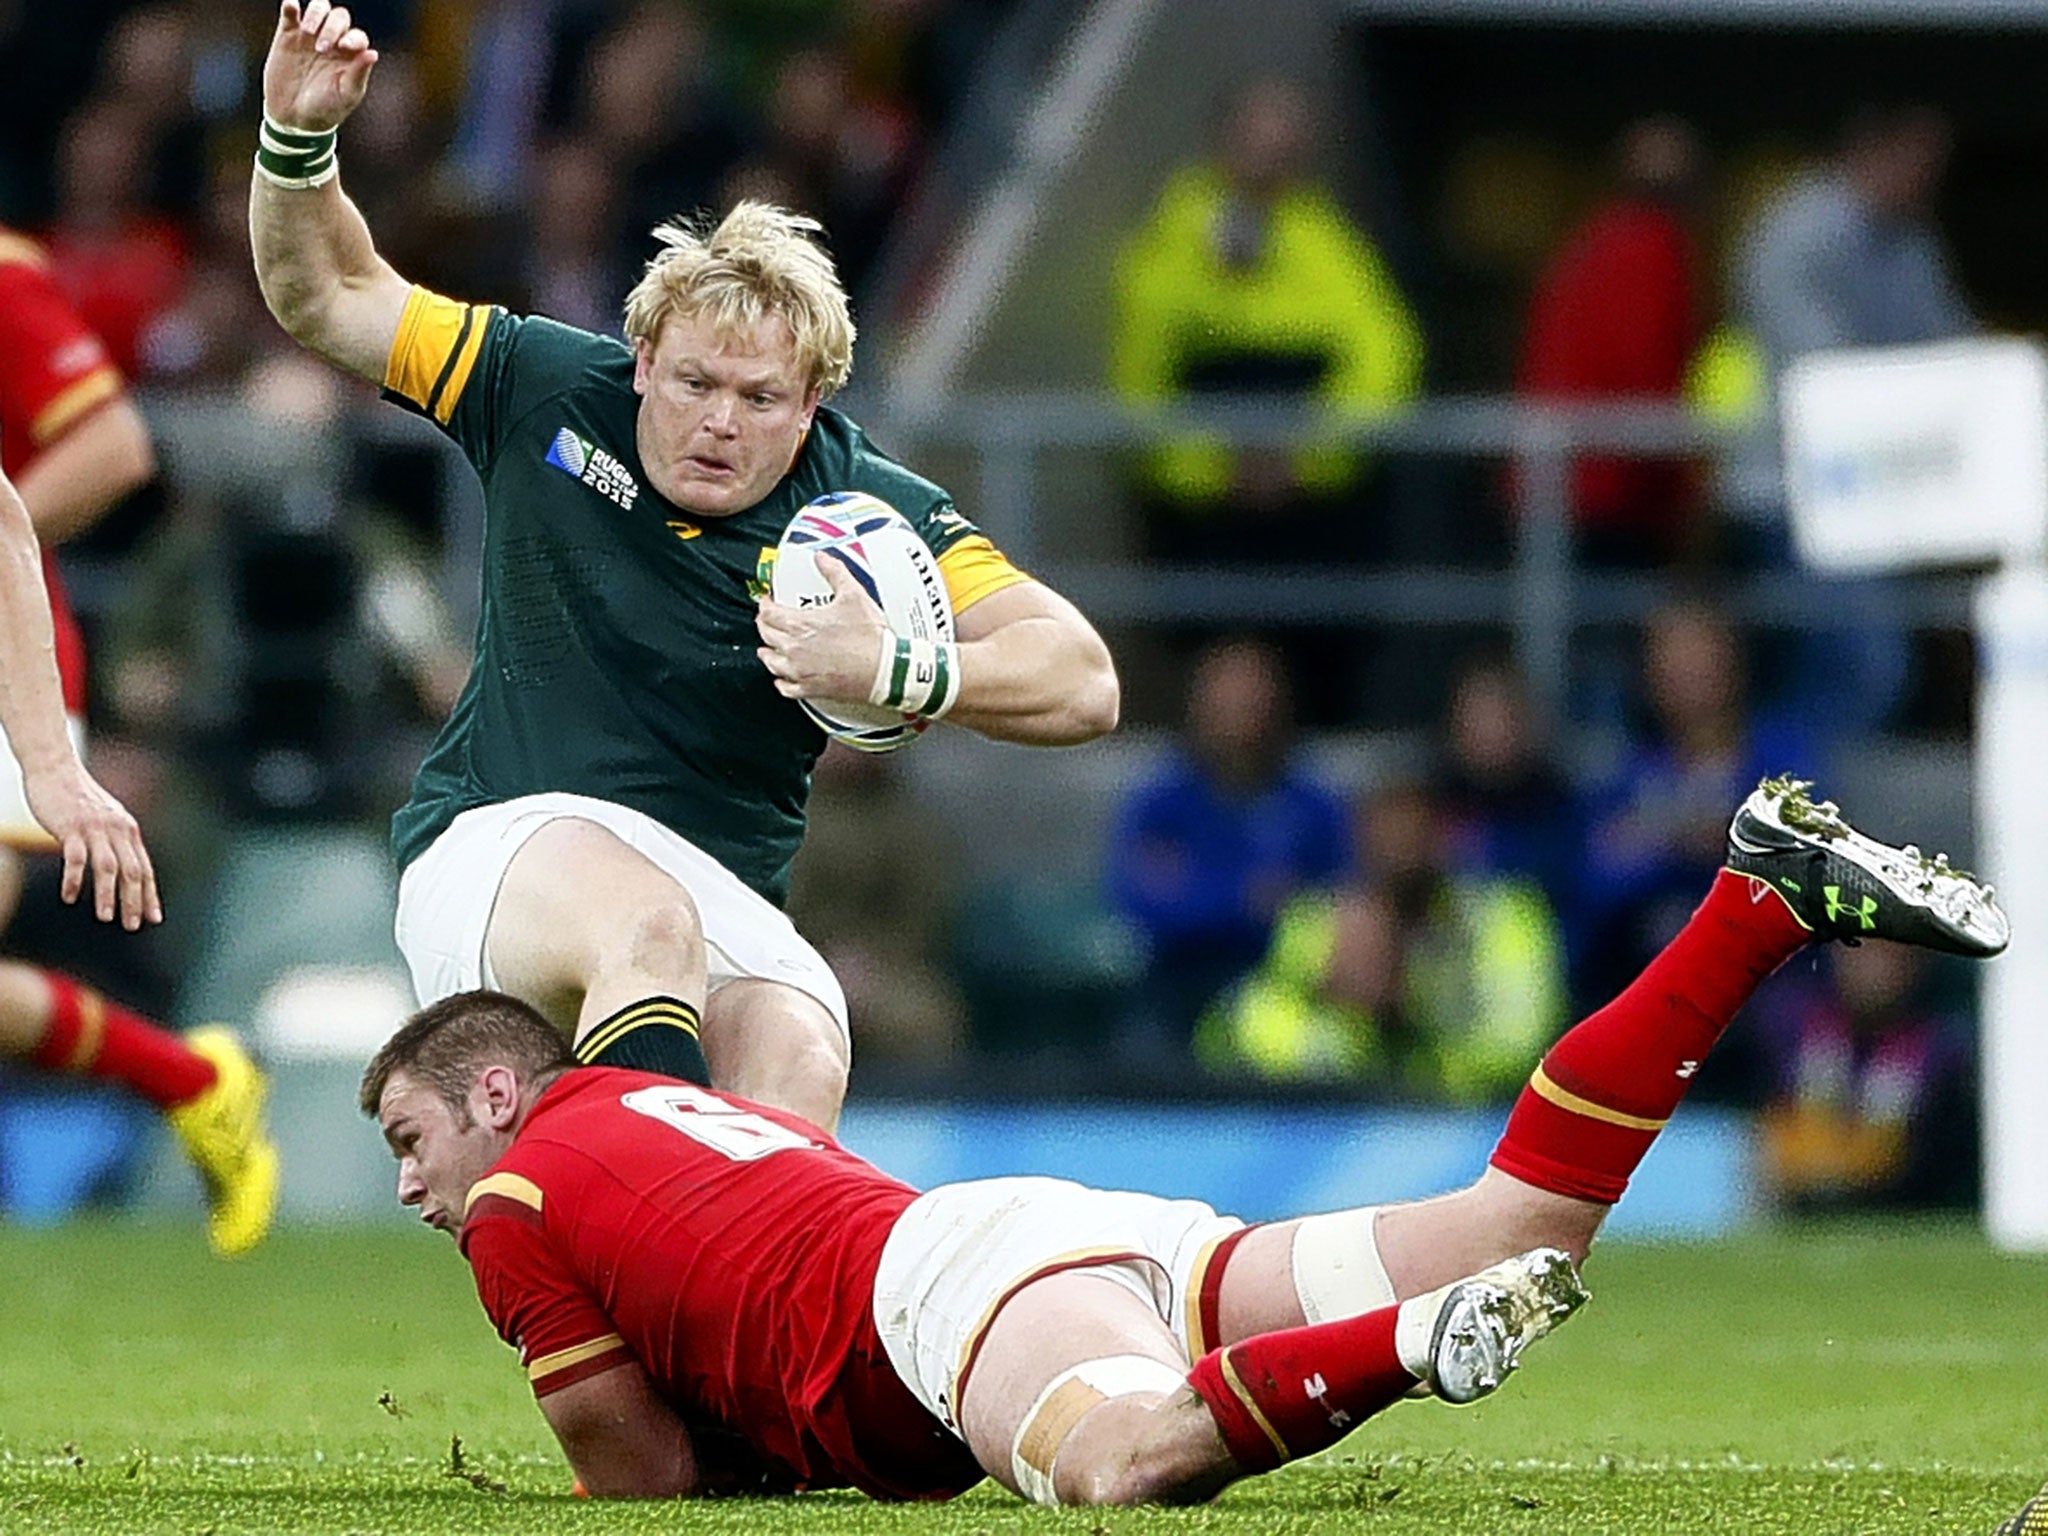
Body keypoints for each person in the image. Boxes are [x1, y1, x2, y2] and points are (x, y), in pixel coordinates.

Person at [364, 777, 2006, 1504]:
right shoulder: (659, 1090)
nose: (404, 1182)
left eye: (407, 1130)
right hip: (1042, 1243)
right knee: (1519, 1223)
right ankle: (1752, 897)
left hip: (946, 1297)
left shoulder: (516, 1193)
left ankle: (1410, 1346)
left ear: (497, 1092)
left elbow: (636, 1475)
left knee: (1124, 1464)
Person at [250, 1, 1119, 1130]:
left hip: (712, 893)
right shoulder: (546, 387)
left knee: (801, 1048)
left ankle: (667, 1292)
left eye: (760, 399)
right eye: (696, 383)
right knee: (644, 927)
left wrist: (899, 664)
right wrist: (294, 139)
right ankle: (640, 1227)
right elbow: (326, 294)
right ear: (645, 357)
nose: (720, 421)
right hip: (499, 844)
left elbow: (1083, 680)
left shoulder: (860, 509)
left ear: (810, 406)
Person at [0, 233, 277, 1256]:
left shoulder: (6, 278)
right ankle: (190, 1078)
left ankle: (190, 1079)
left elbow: (105, 453)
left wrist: (50, 763)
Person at [1109, 73, 1423, 563]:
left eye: (1285, 131)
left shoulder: (1328, 240)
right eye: (1258, 129)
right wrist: (1212, 467)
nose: (1271, 147)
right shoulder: (1171, 237)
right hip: (1200, 514)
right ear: (1223, 137)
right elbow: (1141, 372)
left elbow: (1385, 353)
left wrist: (1307, 456)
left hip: (1315, 507)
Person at [1197, 778, 1565, 1098]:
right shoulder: (1318, 921)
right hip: (1336, 1125)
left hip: (1474, 1126)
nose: (1402, 849)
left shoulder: (1503, 916)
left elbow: (1521, 1042)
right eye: (1387, 836)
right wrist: (1353, 1016)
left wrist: (1414, 1020)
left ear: (1444, 839)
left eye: (1415, 834)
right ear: (1359, 840)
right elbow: (1243, 1032)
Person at [1106, 638, 1348, 1054]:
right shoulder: (1160, 804)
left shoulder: (1314, 806)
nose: (1240, 708)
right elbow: (1144, 904)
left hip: (1284, 989)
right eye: (1226, 693)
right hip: (1177, 986)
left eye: (1252, 694)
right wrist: (1244, 898)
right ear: (1199, 702)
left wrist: (1200, 887)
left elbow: (1336, 903)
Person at [1513, 116, 1705, 568]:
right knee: (1607, 624)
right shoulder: (1651, 247)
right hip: (1608, 484)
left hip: (1560, 476)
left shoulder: (1591, 239)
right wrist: (1680, 480)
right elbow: (1644, 370)